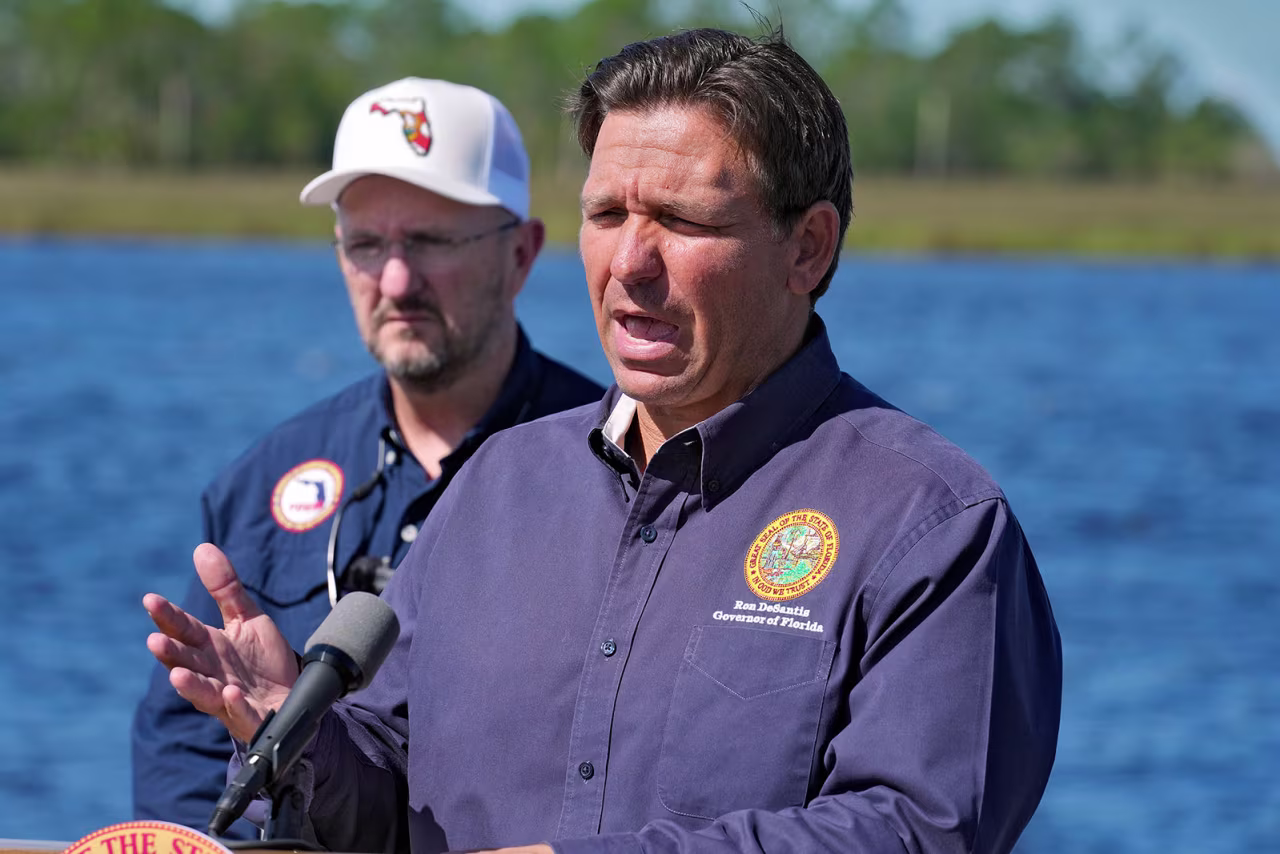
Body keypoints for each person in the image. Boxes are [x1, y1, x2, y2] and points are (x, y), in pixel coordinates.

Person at [143, 28, 1062, 854]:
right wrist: (297, 739)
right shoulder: (497, 483)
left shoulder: (932, 526)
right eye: (609, 215)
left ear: (807, 248)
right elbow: (389, 796)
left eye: (684, 221)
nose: (631, 262)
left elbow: (916, 832)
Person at [131, 77, 604, 836]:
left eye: (431, 241)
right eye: (365, 244)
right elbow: (181, 752)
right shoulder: (262, 483)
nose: (394, 280)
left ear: (521, 253)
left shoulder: (622, 469)